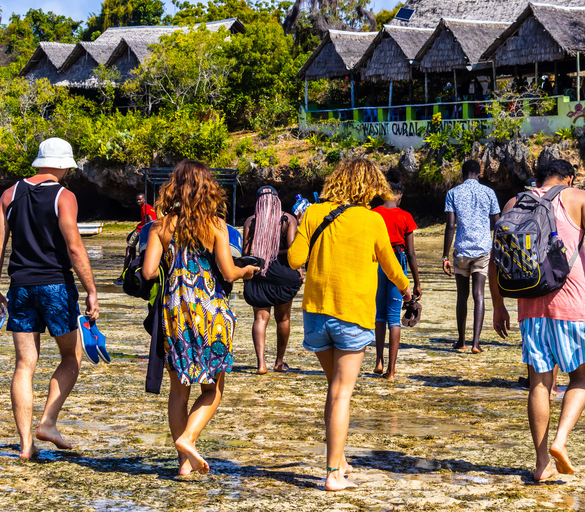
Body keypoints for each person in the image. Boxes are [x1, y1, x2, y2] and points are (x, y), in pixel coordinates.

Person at [489, 159, 585, 481]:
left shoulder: (515, 202)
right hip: (571, 304)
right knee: (581, 378)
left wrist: (499, 306)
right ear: (568, 178)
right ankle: (561, 440)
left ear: (537, 178)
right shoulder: (578, 197)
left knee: (539, 384)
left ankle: (541, 466)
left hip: (529, 307)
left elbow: (496, 260)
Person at [288, 159, 411, 491]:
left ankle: (339, 458)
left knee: (334, 389)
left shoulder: (313, 212)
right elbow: (389, 265)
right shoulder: (371, 220)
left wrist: (303, 227)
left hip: (316, 314)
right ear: (370, 187)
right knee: (342, 394)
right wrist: (407, 288)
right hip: (352, 314)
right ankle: (332, 473)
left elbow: (294, 259)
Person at [0, 137, 100, 459]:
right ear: (64, 165)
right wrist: (91, 290)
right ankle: (48, 422)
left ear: (39, 161)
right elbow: (75, 247)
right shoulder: (64, 197)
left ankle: (26, 446)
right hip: (55, 287)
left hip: (19, 287)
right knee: (71, 356)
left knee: (25, 365)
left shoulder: (10, 195)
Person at [142, 160, 258, 476]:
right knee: (212, 390)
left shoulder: (161, 226)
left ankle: (183, 464)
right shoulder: (217, 226)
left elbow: (148, 272)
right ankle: (188, 439)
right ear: (208, 188)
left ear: (175, 188)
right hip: (212, 315)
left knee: (179, 391)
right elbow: (228, 272)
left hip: (176, 312)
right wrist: (247, 270)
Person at [442, 159, 501, 353]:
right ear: (479, 173)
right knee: (479, 295)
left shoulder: (453, 193)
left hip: (461, 250)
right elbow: (497, 224)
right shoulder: (489, 193)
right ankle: (476, 343)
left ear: (462, 173)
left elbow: (451, 225)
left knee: (462, 296)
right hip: (483, 249)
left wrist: (445, 256)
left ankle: (461, 340)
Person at [242, 186, 302, 374]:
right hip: (283, 273)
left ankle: (261, 364)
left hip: (260, 272)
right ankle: (279, 362)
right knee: (283, 319)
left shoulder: (251, 221)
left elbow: (245, 252)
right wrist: (299, 271)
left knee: (260, 318)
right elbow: (293, 250)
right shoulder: (288, 219)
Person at [371, 175, 422, 380]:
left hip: (377, 264)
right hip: (397, 261)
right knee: (394, 317)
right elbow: (411, 253)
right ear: (399, 195)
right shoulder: (405, 216)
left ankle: (379, 361)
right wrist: (417, 283)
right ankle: (391, 371)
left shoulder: (373, 214)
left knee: (379, 315)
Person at [116, 193, 156, 284]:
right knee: (131, 245)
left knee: (129, 248)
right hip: (144, 228)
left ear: (144, 199)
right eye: (137, 200)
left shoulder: (144, 207)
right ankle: (132, 266)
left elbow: (149, 219)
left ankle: (124, 274)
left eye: (140, 199)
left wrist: (143, 231)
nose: (138, 201)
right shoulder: (149, 207)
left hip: (142, 230)